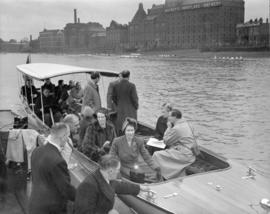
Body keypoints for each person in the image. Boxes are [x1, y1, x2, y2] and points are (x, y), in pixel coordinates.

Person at [74, 155, 148, 214]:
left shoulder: (106, 177)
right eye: (118, 170)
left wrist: (139, 188)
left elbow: (120, 186)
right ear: (111, 171)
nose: (119, 172)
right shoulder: (88, 186)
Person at [28, 123, 75, 214]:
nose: (68, 139)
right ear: (63, 137)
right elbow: (65, 189)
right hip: (50, 209)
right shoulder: (58, 161)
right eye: (68, 136)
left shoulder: (37, 151)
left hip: (35, 206)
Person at [152, 109, 196, 179]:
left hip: (184, 154)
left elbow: (166, 141)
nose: (168, 118)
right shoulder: (187, 124)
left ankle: (159, 176)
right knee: (168, 150)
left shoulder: (177, 128)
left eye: (169, 116)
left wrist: (169, 127)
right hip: (190, 153)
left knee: (156, 155)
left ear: (175, 117)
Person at [112, 70, 138, 135]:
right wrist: (136, 106)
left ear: (122, 76)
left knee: (121, 127)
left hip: (120, 110)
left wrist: (118, 104)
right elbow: (135, 99)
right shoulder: (132, 86)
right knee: (131, 126)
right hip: (130, 111)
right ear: (129, 76)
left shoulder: (116, 86)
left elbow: (113, 97)